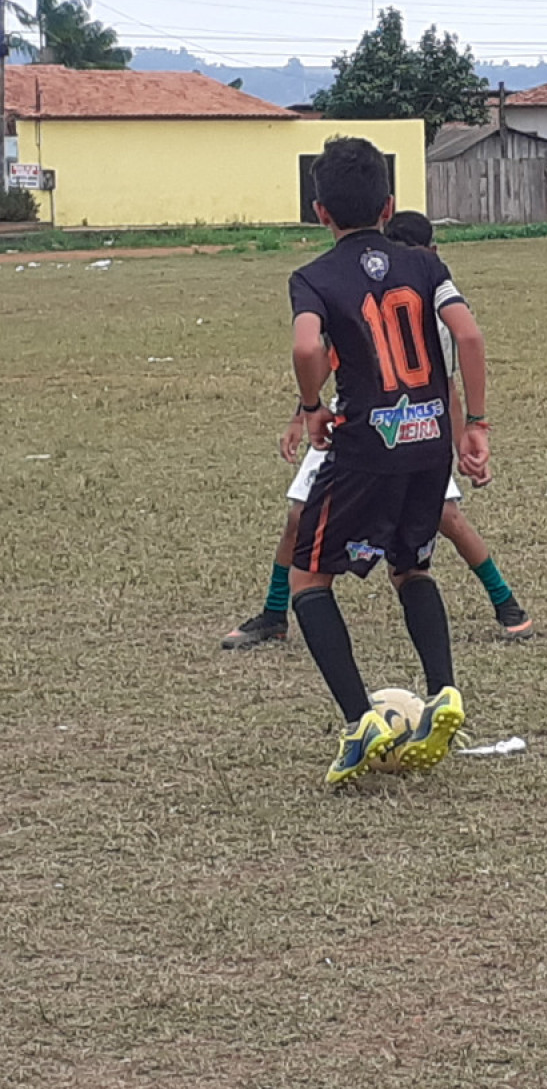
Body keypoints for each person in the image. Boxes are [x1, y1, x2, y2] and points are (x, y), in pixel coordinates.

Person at [223, 213, 531, 655]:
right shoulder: (365, 287)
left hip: (414, 431)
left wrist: (464, 437)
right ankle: (275, 614)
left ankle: (506, 604)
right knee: (297, 516)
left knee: (448, 520)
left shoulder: (437, 305)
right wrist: (303, 412)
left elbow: (447, 384)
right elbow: (325, 357)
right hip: (356, 428)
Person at [286, 136, 490, 785]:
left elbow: (306, 345)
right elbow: (469, 334)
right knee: (412, 567)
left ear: (320, 212)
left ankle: (360, 720)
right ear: (390, 203)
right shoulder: (424, 265)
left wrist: (311, 403)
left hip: (365, 448)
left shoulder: (314, 277)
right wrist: (475, 423)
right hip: (430, 443)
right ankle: (444, 693)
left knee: (308, 579)